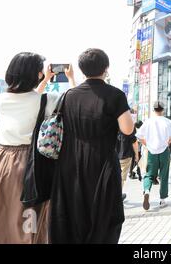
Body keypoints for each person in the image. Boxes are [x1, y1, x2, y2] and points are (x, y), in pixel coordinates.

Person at [0, 52, 75, 243]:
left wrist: (45, 78)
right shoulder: (48, 100)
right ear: (36, 74)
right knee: (25, 214)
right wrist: (71, 78)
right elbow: (73, 100)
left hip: (0, 159)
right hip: (28, 160)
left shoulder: (1, 99)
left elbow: (29, 99)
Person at [49, 48, 134, 244]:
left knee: (74, 212)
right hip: (102, 161)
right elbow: (128, 129)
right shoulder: (115, 95)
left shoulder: (69, 95)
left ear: (81, 69)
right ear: (106, 68)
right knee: (105, 214)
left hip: (70, 163)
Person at [136, 101, 171, 211]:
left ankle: (147, 191)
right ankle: (162, 200)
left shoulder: (148, 121)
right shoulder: (168, 121)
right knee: (164, 174)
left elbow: (138, 136)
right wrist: (166, 142)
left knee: (149, 174)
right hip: (164, 151)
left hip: (151, 151)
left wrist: (147, 144)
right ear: (163, 110)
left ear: (153, 110)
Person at [116, 126, 139, 201]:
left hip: (112, 155)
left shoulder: (110, 122)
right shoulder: (129, 124)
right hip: (125, 155)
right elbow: (134, 142)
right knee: (121, 177)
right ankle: (117, 196)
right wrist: (137, 155)